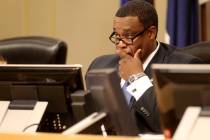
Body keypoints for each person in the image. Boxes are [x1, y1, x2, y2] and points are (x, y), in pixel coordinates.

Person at [86, 0, 202, 134]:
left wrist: (137, 79)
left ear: (150, 33)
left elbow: (172, 128)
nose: (120, 44)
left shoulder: (182, 68)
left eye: (128, 36)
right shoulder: (100, 66)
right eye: (117, 36)